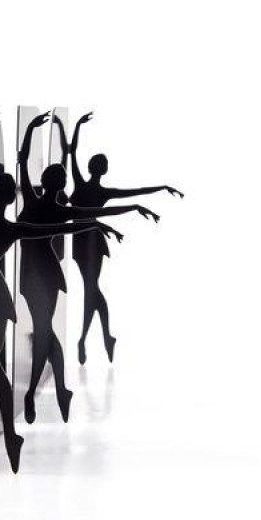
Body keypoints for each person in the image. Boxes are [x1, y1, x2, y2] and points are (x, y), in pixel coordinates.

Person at [0, 112, 117, 474]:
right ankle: (8, 433)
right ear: (9, 196)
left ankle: (3, 433)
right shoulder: (10, 227)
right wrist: (96, 222)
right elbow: (66, 224)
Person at [17, 112, 158, 423]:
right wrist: (130, 209)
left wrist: (30, 130)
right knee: (46, 329)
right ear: (61, 185)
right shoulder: (58, 208)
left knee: (45, 329)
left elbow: (23, 160)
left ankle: (35, 393)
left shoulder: (35, 199)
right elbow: (91, 217)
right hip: (40, 274)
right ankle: (61, 387)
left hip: (37, 274)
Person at [69, 111, 183, 364]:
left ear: (92, 168)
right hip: (87, 240)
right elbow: (137, 191)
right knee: (92, 289)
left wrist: (78, 126)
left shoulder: (84, 185)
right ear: (102, 169)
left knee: (91, 289)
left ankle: (87, 339)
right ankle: (102, 338)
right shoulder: (97, 190)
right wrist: (162, 188)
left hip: (87, 241)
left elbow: (71, 152)